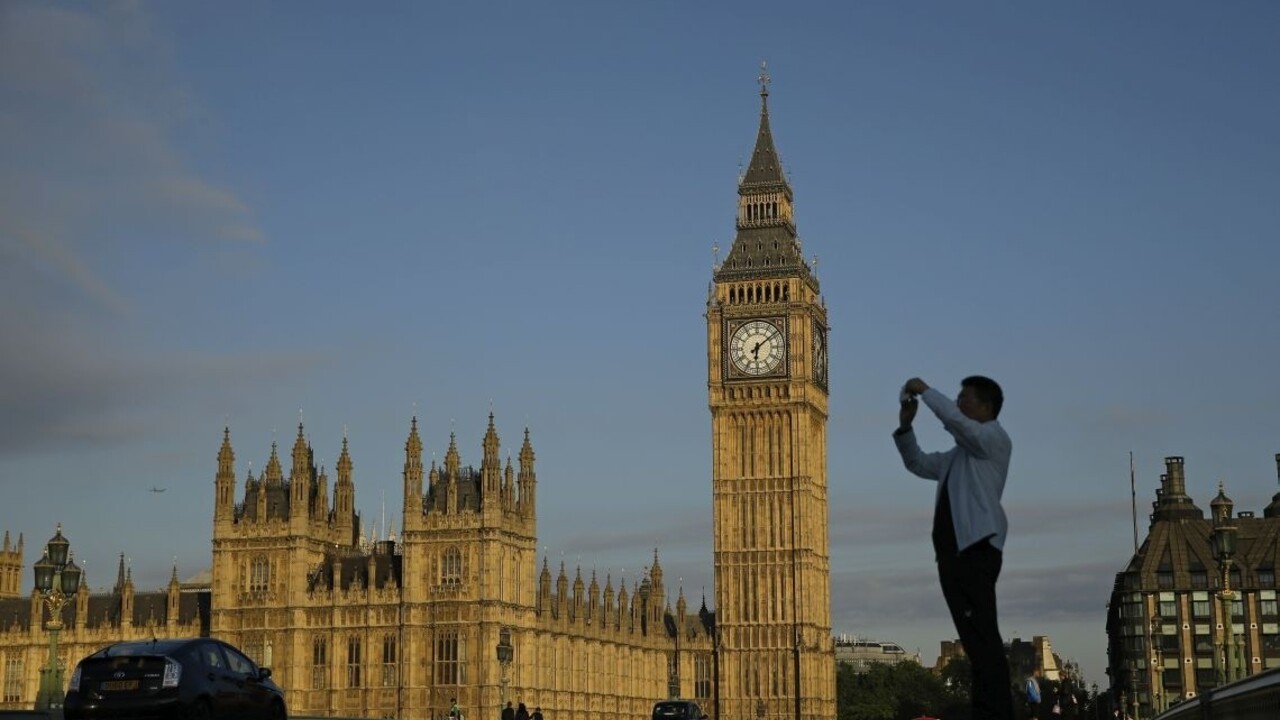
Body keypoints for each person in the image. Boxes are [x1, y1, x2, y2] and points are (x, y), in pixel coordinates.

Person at [894, 375, 1013, 720]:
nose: (959, 404)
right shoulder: (956, 458)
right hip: (952, 556)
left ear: (986, 407)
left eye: (965, 399)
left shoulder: (993, 439)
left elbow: (958, 424)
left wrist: (927, 391)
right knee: (975, 640)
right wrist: (905, 428)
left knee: (983, 637)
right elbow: (916, 462)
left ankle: (995, 712)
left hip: (976, 548)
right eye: (957, 398)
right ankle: (986, 709)